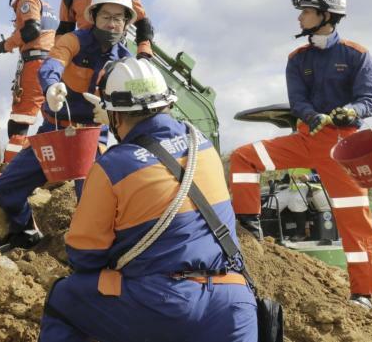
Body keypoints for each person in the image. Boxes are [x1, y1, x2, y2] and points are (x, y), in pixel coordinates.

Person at [39, 57, 257, 342]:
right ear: (167, 103)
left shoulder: (113, 166)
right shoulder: (202, 143)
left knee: (64, 299)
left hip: (165, 304)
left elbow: (85, 255)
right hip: (235, 304)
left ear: (114, 116)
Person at [229, 0, 372, 310]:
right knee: (244, 157)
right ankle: (249, 225)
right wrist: (310, 116)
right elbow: (297, 99)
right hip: (304, 139)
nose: (300, 18)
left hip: (342, 147)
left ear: (326, 15)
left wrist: (353, 111)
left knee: (355, 220)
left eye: (306, 11)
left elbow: (371, 99)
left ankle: (364, 293)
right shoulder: (297, 58)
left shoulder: (357, 54)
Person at [0, 0, 133, 251]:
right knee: (7, 186)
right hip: (55, 132)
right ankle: (25, 233)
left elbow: (136, 106)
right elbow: (53, 62)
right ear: (93, 17)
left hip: (92, 137)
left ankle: (95, 255)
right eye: (106, 16)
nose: (112, 24)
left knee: (93, 200)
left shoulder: (126, 62)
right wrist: (51, 88)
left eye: (118, 18)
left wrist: (114, 115)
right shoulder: (74, 40)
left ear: (126, 23)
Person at [0, 0, 58, 162]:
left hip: (35, 64)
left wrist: (2, 46)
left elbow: (31, 30)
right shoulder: (48, 5)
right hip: (52, 65)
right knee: (51, 119)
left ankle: (12, 168)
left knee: (19, 122)